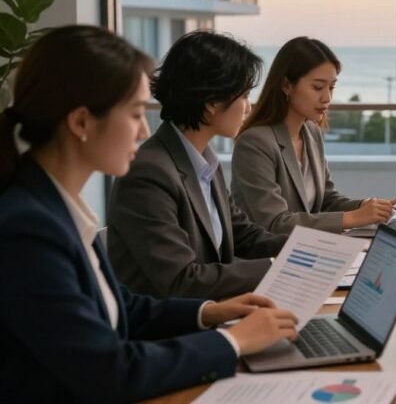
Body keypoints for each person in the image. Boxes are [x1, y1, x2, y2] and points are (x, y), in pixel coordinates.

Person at [0, 26, 298, 403]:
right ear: (80, 123)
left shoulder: (56, 207)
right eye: (136, 113)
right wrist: (233, 340)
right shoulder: (28, 229)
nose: (143, 130)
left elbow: (121, 306)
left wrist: (209, 312)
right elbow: (110, 371)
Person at [107, 31, 289, 300]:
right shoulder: (148, 173)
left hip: (210, 315)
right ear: (212, 103)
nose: (249, 108)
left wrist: (314, 251)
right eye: (244, 96)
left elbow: (244, 235)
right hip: (169, 332)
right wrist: (280, 268)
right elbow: (183, 281)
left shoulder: (203, 161)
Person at [232, 37, 396, 234]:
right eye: (318, 87)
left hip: (308, 249)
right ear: (286, 85)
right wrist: (353, 218)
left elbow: (326, 200)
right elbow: (275, 222)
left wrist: (369, 207)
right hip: (266, 259)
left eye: (331, 87)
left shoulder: (311, 132)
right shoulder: (255, 143)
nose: (327, 97)